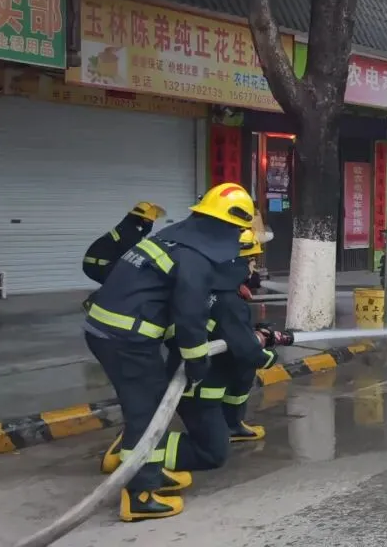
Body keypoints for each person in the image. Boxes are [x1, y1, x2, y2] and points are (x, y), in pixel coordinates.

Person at [84, 182, 254, 522]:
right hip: (125, 339)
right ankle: (140, 495)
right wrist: (196, 360)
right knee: (146, 412)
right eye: (237, 230)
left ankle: (150, 467)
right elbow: (189, 313)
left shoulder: (174, 239)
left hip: (110, 331)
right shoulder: (195, 257)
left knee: (148, 404)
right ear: (225, 226)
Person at [100, 230, 293, 475]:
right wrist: (269, 355)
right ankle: (134, 448)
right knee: (212, 453)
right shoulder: (229, 303)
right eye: (251, 262)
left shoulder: (203, 290)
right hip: (200, 388)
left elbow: (222, 332)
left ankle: (231, 426)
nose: (253, 269)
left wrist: (250, 336)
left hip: (195, 377)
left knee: (240, 381)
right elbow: (249, 354)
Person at [82, 202, 166, 310]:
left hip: (95, 263)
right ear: (144, 220)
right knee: (126, 279)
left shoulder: (127, 227)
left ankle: (104, 301)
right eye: (150, 221)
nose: (150, 224)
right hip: (97, 265)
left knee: (124, 277)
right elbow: (133, 255)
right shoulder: (129, 232)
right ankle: (93, 302)